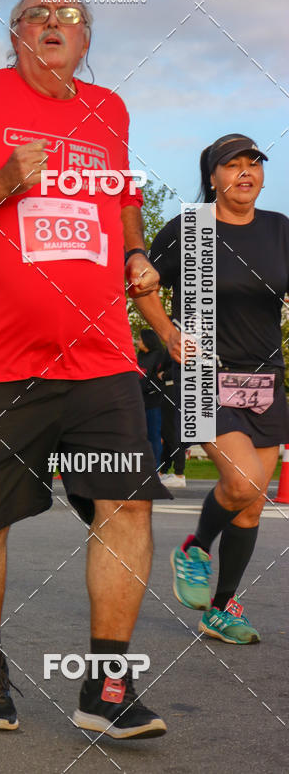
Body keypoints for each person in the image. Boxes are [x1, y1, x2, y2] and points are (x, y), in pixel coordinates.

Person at [0, 0, 171, 738]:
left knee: (127, 504)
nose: (54, 24)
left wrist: (142, 258)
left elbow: (121, 203)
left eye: (71, 17)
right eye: (37, 15)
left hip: (101, 356)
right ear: (14, 34)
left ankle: (106, 687)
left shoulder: (108, 109)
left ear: (87, 42)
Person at [135, 133, 289, 644]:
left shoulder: (279, 230)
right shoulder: (190, 230)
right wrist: (166, 332)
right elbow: (141, 282)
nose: (245, 173)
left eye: (253, 165)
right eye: (232, 166)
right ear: (213, 178)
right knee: (243, 482)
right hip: (205, 373)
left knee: (250, 504)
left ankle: (219, 609)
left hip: (265, 378)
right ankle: (195, 546)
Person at [136, 329, 164, 470]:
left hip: (154, 401)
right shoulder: (139, 357)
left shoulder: (159, 355)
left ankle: (155, 468)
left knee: (153, 434)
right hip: (139, 402)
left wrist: (150, 388)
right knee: (140, 436)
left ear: (148, 340)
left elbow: (159, 376)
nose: (138, 342)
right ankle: (142, 467)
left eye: (140, 339)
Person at [159, 349, 186, 487]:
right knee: (167, 433)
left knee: (172, 433)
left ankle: (179, 473)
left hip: (174, 389)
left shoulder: (180, 346)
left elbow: (182, 367)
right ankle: (162, 471)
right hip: (170, 390)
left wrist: (164, 374)